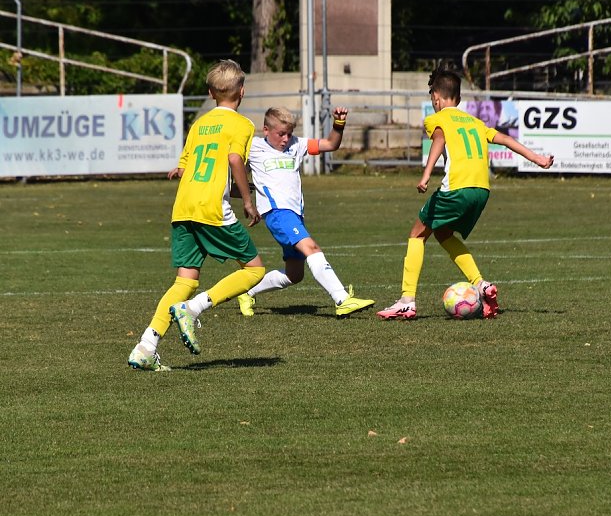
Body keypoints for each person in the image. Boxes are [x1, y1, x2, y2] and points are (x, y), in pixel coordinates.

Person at [377, 67, 553, 320]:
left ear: (436, 98)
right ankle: (481, 285)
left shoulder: (437, 119)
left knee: (417, 234)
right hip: (481, 191)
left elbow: (439, 140)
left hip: (456, 189)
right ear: (458, 99)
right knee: (443, 233)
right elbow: (504, 139)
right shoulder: (475, 122)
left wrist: (426, 175)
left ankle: (406, 301)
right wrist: (537, 158)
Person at [127, 59, 265, 372]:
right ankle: (193, 309)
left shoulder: (200, 124)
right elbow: (234, 159)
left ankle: (146, 346)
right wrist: (248, 200)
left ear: (211, 93)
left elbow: (185, 167)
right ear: (242, 92)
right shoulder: (242, 125)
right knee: (255, 270)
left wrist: (182, 171)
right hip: (211, 208)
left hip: (183, 206)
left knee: (185, 280)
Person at [235, 106, 374, 318]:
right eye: (281, 134)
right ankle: (342, 299)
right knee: (312, 248)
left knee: (294, 274)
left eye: (289, 133)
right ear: (266, 130)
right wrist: (240, 193)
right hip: (277, 213)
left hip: (295, 215)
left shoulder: (296, 144)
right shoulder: (252, 146)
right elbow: (232, 160)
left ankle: (247, 291)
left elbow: (331, 144)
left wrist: (339, 123)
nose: (285, 139)